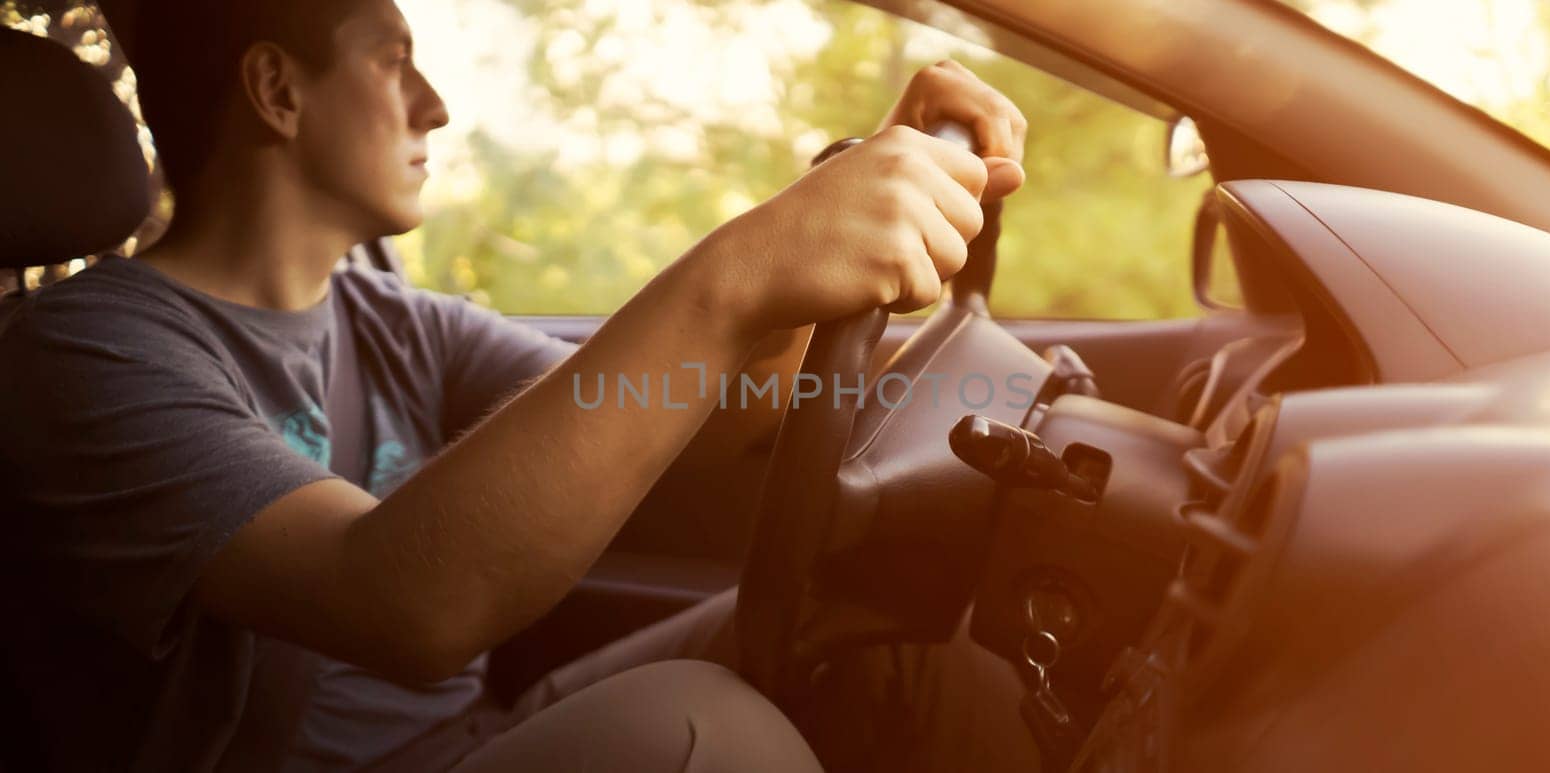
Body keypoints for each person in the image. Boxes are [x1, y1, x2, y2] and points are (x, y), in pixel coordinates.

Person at [0, 0, 1032, 770]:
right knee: (708, 736)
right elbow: (404, 602)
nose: (436, 107)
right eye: (394, 61)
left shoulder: (390, 318)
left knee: (891, 634)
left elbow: (664, 415)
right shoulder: (85, 356)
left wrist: (837, 210)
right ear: (277, 92)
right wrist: (742, 273)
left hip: (476, 735)